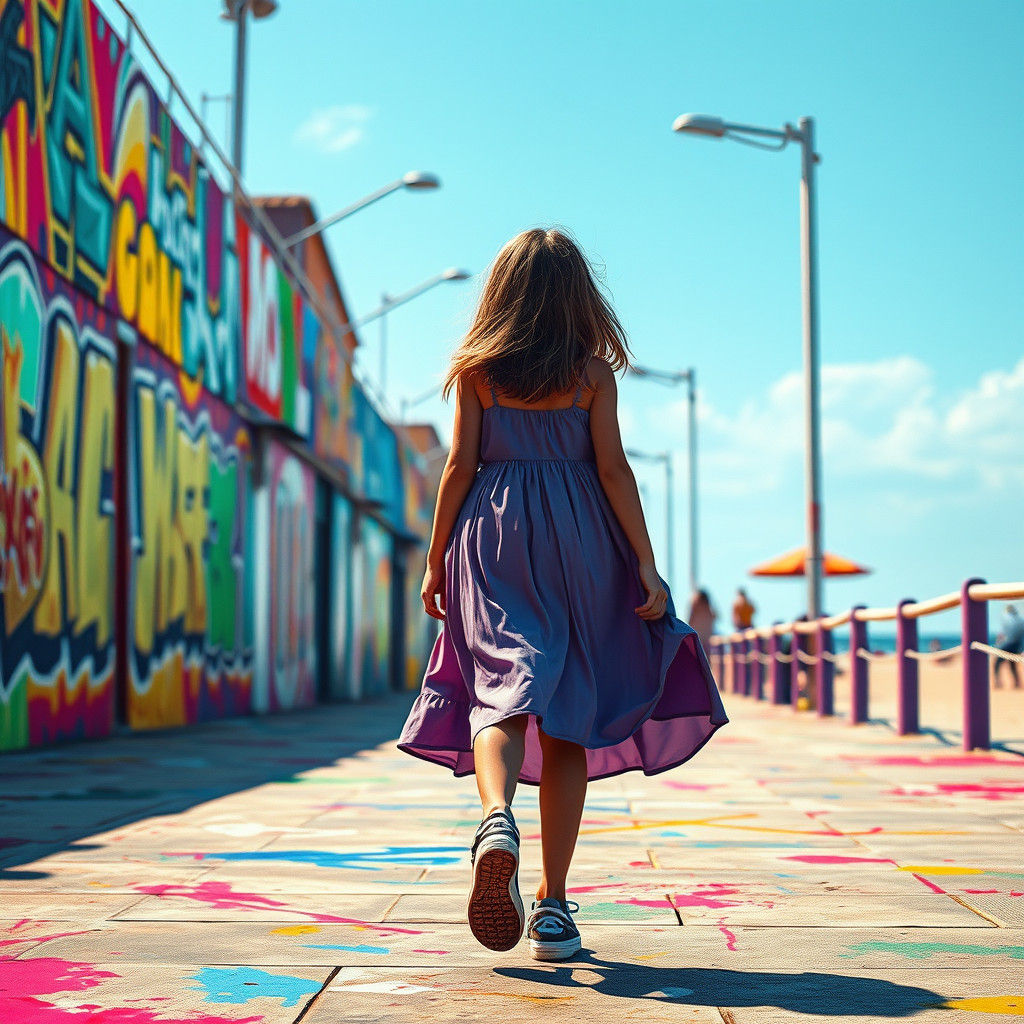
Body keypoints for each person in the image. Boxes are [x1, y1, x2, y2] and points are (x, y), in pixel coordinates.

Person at [398, 228, 728, 962]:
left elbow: (458, 468)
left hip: (492, 536)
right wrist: (645, 564)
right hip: (580, 542)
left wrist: (435, 560)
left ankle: (495, 818)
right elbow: (614, 472)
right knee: (569, 713)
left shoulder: (478, 373)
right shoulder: (591, 377)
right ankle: (552, 905)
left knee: (501, 693)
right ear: (578, 296)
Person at [994, 604, 1024, 689]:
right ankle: (1017, 682)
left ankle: (997, 681)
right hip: (1016, 646)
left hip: (1007, 645)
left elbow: (1002, 635)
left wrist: (998, 645)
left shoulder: (1007, 619)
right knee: (1012, 664)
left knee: (997, 663)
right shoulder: (1021, 620)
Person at [687, 589, 717, 654]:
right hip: (704, 639)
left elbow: (690, 620)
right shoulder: (707, 608)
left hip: (699, 639)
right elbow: (715, 616)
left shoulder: (695, 605)